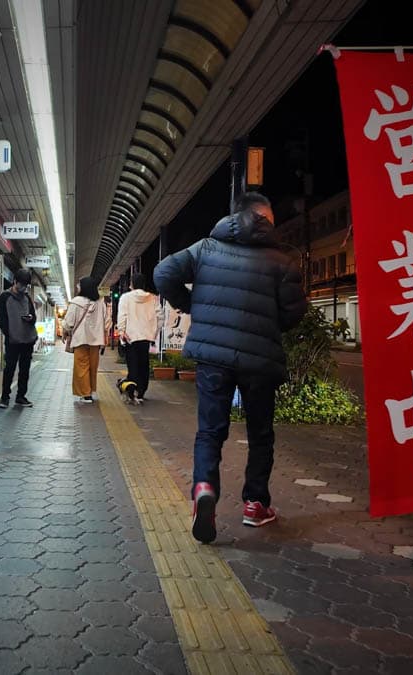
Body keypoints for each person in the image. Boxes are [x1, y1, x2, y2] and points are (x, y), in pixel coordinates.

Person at [154, 192, 306, 542]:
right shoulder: (280, 260)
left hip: (214, 358)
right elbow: (295, 311)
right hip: (259, 358)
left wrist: (195, 306)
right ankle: (255, 503)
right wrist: (270, 324)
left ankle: (205, 487)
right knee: (260, 434)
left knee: (210, 431)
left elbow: (163, 273)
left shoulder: (206, 248)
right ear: (263, 218)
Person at [117, 273, 163, 404]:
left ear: (131, 284)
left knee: (133, 365)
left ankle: (132, 391)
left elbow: (122, 316)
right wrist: (153, 332)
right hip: (146, 337)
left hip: (130, 337)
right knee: (144, 364)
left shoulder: (125, 298)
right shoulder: (153, 298)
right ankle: (141, 391)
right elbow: (160, 317)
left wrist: (122, 331)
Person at [62, 276, 108, 403]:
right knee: (93, 367)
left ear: (84, 287)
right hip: (96, 341)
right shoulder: (101, 303)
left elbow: (69, 322)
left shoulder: (76, 302)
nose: (77, 287)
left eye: (79, 285)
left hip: (81, 340)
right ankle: (90, 391)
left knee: (81, 367)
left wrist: (65, 330)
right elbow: (106, 321)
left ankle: (85, 393)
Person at [0, 269, 38, 408]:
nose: (23, 287)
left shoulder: (27, 298)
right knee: (9, 369)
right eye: (21, 284)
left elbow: (34, 317)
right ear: (15, 281)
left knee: (25, 370)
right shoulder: (5, 297)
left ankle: (21, 396)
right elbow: (0, 318)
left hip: (28, 339)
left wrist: (31, 318)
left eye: (26, 285)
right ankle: (4, 397)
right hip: (12, 340)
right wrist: (9, 333)